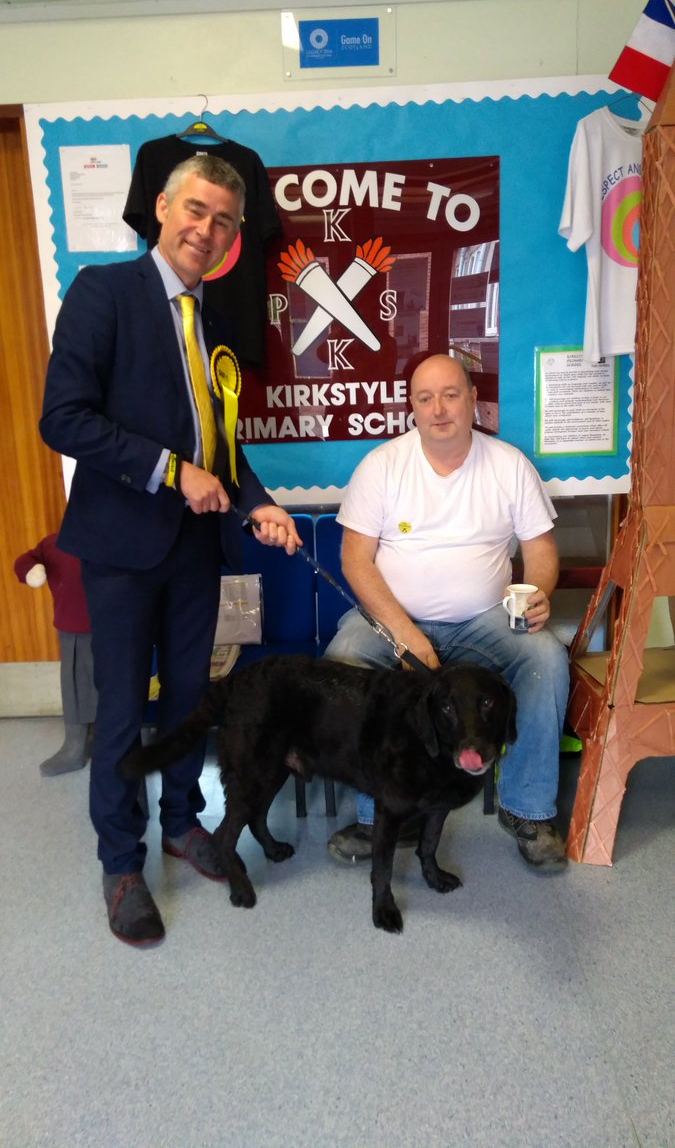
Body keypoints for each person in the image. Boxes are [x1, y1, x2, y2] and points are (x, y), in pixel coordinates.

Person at [40, 155, 302, 948]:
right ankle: (121, 864)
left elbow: (219, 446)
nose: (206, 229)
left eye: (224, 220)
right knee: (123, 711)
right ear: (161, 207)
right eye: (196, 210)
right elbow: (63, 418)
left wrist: (256, 502)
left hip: (196, 549)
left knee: (191, 703)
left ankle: (184, 823)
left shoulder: (212, 322)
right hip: (121, 549)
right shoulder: (103, 293)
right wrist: (169, 470)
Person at [324, 352, 570, 871]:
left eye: (450, 395)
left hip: (486, 619)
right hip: (390, 621)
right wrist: (404, 633)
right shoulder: (382, 465)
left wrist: (538, 592)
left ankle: (527, 810)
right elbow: (355, 561)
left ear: (472, 399)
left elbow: (541, 550)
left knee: (546, 659)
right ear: (412, 407)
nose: (438, 409)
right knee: (344, 661)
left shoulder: (509, 465)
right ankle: (380, 815)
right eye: (425, 398)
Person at [14, 533, 96, 777]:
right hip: (74, 629)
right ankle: (75, 746)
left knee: (117, 690)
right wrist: (33, 570)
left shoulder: (119, 534)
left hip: (118, 628)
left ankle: (110, 743)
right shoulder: (56, 542)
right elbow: (25, 560)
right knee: (75, 688)